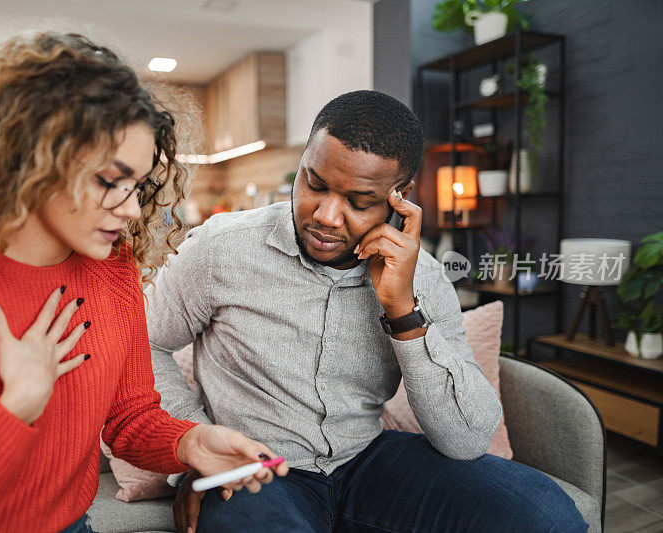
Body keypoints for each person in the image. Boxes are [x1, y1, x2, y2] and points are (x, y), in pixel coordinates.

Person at [0, 32, 287, 533]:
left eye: (138, 185)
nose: (131, 210)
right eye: (110, 181)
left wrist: (188, 442)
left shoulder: (112, 267)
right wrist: (17, 406)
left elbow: (129, 418)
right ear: (32, 159)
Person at [147, 90, 588, 532]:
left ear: (401, 198)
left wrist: (402, 311)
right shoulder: (222, 248)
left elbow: (466, 440)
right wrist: (194, 445)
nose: (327, 216)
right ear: (302, 162)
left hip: (367, 459)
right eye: (314, 184)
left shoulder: (425, 278)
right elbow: (144, 344)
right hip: (258, 471)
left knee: (546, 514)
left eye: (358, 202)